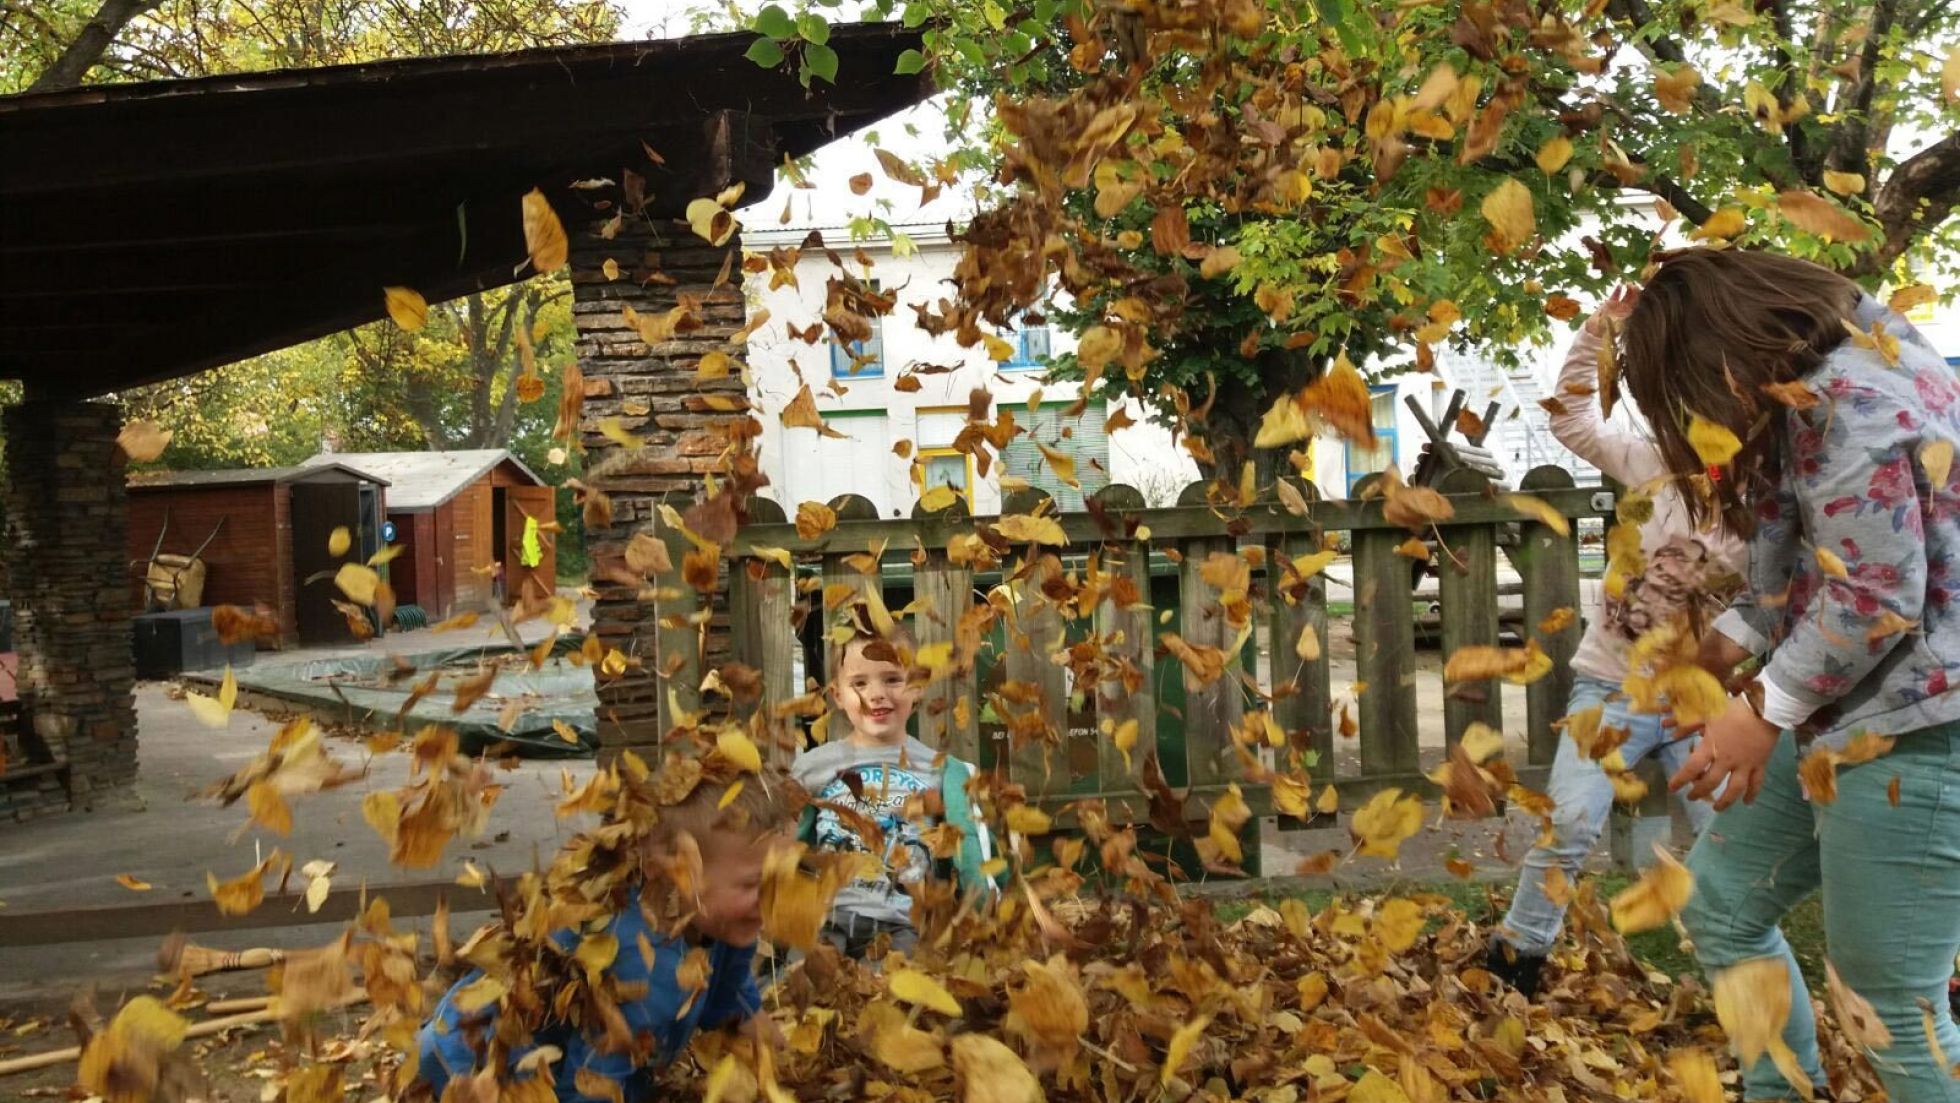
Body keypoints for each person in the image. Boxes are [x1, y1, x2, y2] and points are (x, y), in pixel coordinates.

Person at [1620, 247, 1960, 1102]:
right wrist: (1717, 654)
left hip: (1922, 727)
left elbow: (1875, 598)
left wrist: (1762, 707)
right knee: (1722, 904)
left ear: (1719, 353)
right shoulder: (1814, 389)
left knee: (1891, 1002)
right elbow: (1804, 570)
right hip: (1842, 711)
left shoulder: (1853, 404)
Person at [1485, 288, 1747, 997]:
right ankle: (1515, 955)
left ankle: (1741, 970)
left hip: (1701, 702)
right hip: (1610, 690)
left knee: (1729, 841)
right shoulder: (1655, 467)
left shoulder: (1767, 510)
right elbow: (1569, 419)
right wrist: (1600, 329)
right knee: (1570, 822)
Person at [415, 770, 793, 1103]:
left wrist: (791, 1067)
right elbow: (590, 1087)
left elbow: (732, 998)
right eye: (754, 884)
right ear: (670, 868)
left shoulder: (723, 922)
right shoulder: (643, 971)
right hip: (469, 1068)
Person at [790, 623, 991, 960]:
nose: (877, 694)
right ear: (837, 695)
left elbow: (970, 852)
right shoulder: (813, 767)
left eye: (893, 679)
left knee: (901, 981)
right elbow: (786, 843)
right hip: (827, 919)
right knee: (802, 976)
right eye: (859, 683)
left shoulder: (940, 770)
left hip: (904, 922)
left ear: (918, 685)